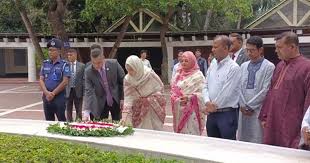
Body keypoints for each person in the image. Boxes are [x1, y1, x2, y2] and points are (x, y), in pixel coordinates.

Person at [258, 32, 310, 148]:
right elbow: (271, 92)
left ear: (292, 47)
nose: (276, 50)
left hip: (293, 124)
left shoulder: (307, 67)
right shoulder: (280, 66)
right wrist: (265, 115)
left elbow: (308, 101)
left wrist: (306, 126)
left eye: (279, 47)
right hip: (273, 120)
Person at [237, 36, 275, 143]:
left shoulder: (269, 66)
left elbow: (266, 89)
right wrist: (242, 105)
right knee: (243, 137)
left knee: (257, 137)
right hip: (243, 109)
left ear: (261, 50)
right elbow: (238, 87)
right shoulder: (243, 66)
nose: (249, 53)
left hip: (259, 108)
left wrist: (250, 106)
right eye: (247, 50)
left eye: (252, 50)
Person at [203, 35, 241, 140]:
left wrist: (211, 107)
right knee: (212, 145)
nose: (212, 49)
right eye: (213, 47)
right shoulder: (213, 64)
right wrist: (207, 102)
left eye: (215, 47)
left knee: (228, 148)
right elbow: (205, 85)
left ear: (225, 48)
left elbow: (226, 93)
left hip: (226, 114)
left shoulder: (234, 68)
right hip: (211, 115)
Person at [121, 55, 166, 130]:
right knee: (140, 131)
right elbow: (128, 97)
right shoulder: (128, 79)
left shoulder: (149, 74)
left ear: (137, 67)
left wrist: (148, 99)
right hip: (138, 108)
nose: (130, 72)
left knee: (153, 132)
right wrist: (124, 115)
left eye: (132, 69)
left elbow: (160, 89)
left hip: (152, 109)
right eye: (128, 70)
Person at [83, 44, 125, 121]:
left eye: (99, 62)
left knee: (118, 122)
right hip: (100, 101)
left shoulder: (114, 64)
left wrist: (123, 98)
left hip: (116, 99)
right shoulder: (88, 71)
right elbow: (88, 91)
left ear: (103, 58)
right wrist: (86, 110)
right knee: (102, 124)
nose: (96, 66)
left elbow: (124, 82)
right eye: (93, 63)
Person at [171, 51, 205, 135]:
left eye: (186, 61)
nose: (183, 63)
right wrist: (177, 99)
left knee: (191, 134)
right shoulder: (177, 75)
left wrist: (190, 98)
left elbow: (204, 94)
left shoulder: (198, 76)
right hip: (179, 109)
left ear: (192, 61)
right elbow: (173, 91)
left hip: (192, 112)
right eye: (182, 61)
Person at [39, 38, 70, 121]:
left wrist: (53, 94)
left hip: (59, 97)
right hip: (46, 96)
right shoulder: (45, 63)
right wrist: (46, 93)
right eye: (49, 50)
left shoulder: (64, 64)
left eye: (53, 50)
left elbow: (65, 82)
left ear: (59, 51)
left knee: (62, 121)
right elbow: (41, 80)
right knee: (48, 121)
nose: (50, 52)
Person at [65, 48, 85, 122]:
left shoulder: (82, 66)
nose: (69, 57)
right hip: (68, 90)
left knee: (79, 109)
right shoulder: (65, 65)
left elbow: (84, 79)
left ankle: (78, 122)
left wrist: (84, 91)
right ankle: (69, 122)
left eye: (71, 55)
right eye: (68, 55)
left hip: (78, 90)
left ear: (75, 55)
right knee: (68, 109)